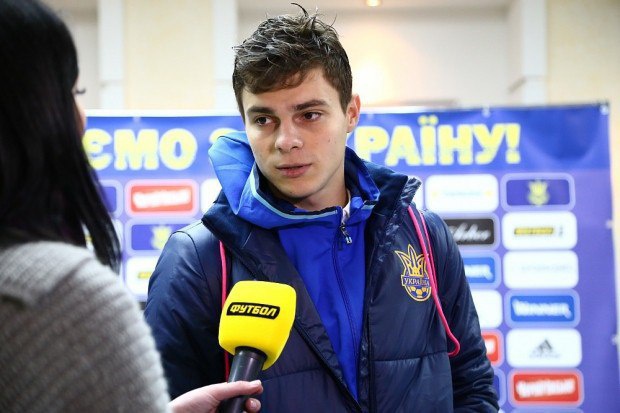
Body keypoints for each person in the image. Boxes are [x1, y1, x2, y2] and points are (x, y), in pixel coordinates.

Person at [145, 5, 499, 412]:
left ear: (351, 113)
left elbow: (471, 387)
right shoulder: (199, 258)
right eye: (264, 120)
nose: (286, 141)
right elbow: (157, 401)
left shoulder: (424, 237)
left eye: (309, 114)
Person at [0, 1, 263, 412]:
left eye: (310, 114)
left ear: (350, 113)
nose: (83, 118)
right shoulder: (58, 295)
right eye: (72, 93)